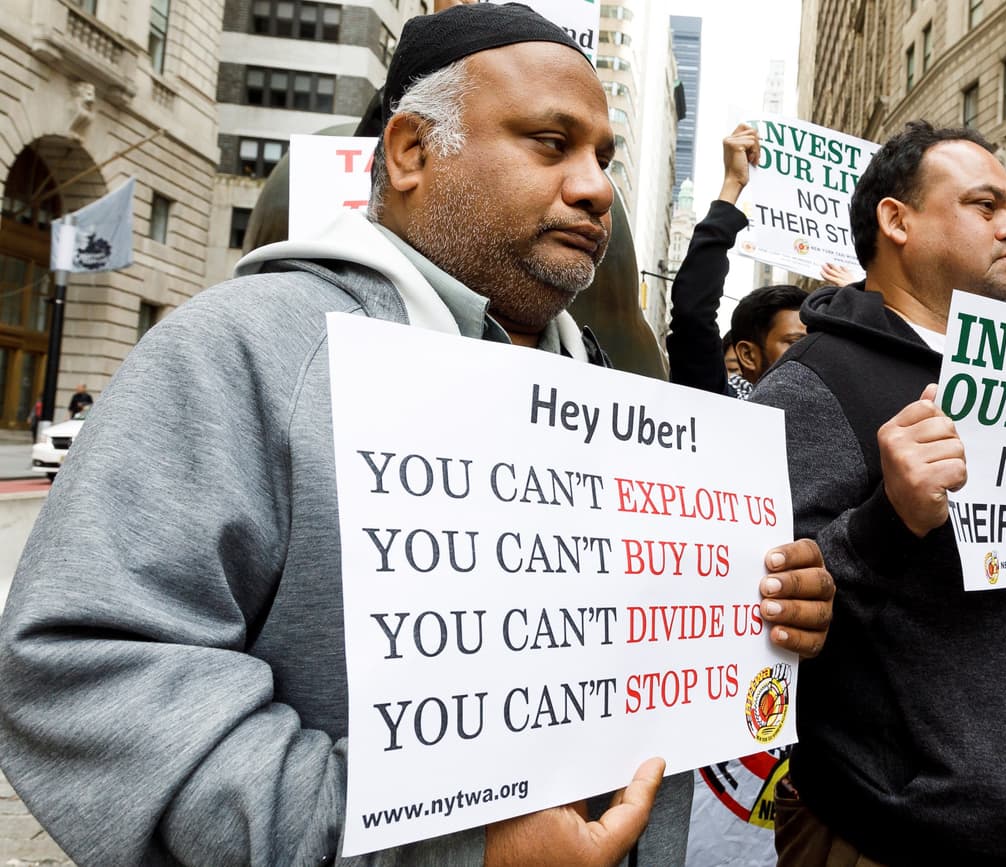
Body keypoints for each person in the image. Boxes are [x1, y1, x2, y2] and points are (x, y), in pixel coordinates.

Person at [0, 7, 834, 865]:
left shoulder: (624, 401)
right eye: (551, 142)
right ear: (410, 152)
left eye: (604, 158)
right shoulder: (245, 347)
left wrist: (761, 610)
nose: (595, 189)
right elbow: (84, 668)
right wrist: (448, 847)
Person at [751, 120, 1006, 865]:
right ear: (897, 220)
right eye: (984, 205)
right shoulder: (812, 385)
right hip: (896, 839)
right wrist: (887, 520)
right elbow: (766, 612)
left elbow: (1004, 573)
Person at [666, 124, 808, 396]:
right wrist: (733, 183)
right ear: (748, 355)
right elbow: (692, 314)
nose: (814, 356)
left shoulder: (837, 418)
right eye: (796, 343)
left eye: (816, 344)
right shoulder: (720, 406)